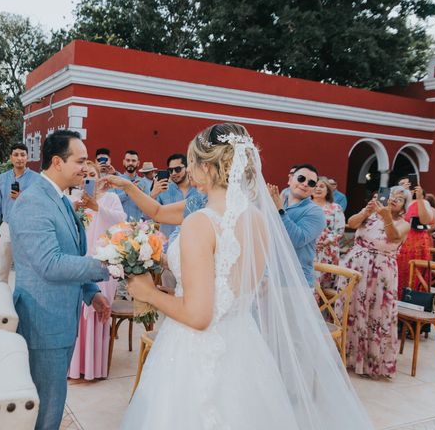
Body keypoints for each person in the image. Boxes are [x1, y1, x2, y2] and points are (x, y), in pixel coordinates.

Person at [120, 122, 372, 429]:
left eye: (191, 162)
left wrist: (149, 293)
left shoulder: (201, 222)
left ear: (209, 168)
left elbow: (199, 315)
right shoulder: (257, 219)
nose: (189, 169)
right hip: (243, 347)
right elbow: (232, 291)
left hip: (197, 352)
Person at [9, 130, 111, 430]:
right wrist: (108, 266)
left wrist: (91, 292)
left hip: (61, 320)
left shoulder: (62, 199)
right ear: (57, 162)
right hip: (44, 324)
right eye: (80, 160)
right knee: (46, 408)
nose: (85, 166)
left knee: (54, 399)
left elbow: (73, 250)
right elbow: (50, 264)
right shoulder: (33, 202)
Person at [335, 187, 410, 379]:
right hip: (356, 266)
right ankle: (345, 355)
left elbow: (393, 237)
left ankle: (371, 363)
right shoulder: (371, 216)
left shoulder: (403, 223)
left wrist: (386, 217)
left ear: (404, 206)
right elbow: (351, 224)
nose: (394, 199)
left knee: (376, 314)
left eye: (400, 199)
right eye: (392, 195)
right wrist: (365, 212)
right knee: (350, 310)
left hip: (381, 273)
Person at [68, 161, 126, 380]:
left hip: (103, 261)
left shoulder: (111, 199)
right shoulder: (74, 200)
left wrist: (97, 207)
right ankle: (74, 367)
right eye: (85, 175)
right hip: (79, 260)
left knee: (98, 309)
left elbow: (121, 221)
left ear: (100, 176)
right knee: (78, 309)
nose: (88, 178)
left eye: (93, 174)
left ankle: (94, 368)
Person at [268, 164, 326, 287]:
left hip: (295, 283)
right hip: (269, 277)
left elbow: (297, 240)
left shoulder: (315, 212)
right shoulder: (276, 202)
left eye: (311, 183)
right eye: (301, 178)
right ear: (290, 179)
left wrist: (280, 211)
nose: (305, 184)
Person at [0, 142, 40, 283]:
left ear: (27, 157)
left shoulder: (36, 179)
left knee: (26, 267)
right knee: (2, 268)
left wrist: (21, 197)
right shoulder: (2, 178)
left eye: (23, 155)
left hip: (28, 228)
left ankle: (23, 299)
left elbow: (40, 204)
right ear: (11, 158)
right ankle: (0, 298)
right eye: (16, 155)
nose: (19, 158)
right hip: (7, 226)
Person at [397, 185, 435, 298]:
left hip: (418, 242)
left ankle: (414, 300)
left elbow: (426, 220)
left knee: (415, 272)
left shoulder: (423, 202)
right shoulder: (402, 202)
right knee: (401, 270)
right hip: (401, 239)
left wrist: (419, 200)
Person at [151, 153, 202, 239]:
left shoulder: (199, 190)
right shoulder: (163, 190)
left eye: (177, 169)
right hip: (167, 244)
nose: (173, 173)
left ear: (187, 168)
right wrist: (152, 195)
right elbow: (148, 216)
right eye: (170, 170)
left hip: (194, 241)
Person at [312, 177, 346, 287]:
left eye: (321, 186)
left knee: (324, 285)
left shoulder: (335, 208)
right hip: (309, 248)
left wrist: (327, 241)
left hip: (327, 249)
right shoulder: (305, 206)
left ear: (328, 190)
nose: (317, 189)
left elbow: (339, 229)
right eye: (315, 186)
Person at [117, 150, 150, 221]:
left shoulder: (143, 183)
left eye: (133, 161)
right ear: (124, 162)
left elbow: (148, 207)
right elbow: (112, 201)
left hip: (137, 227)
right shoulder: (116, 181)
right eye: (128, 160)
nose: (130, 163)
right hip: (119, 226)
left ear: (138, 163)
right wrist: (128, 191)